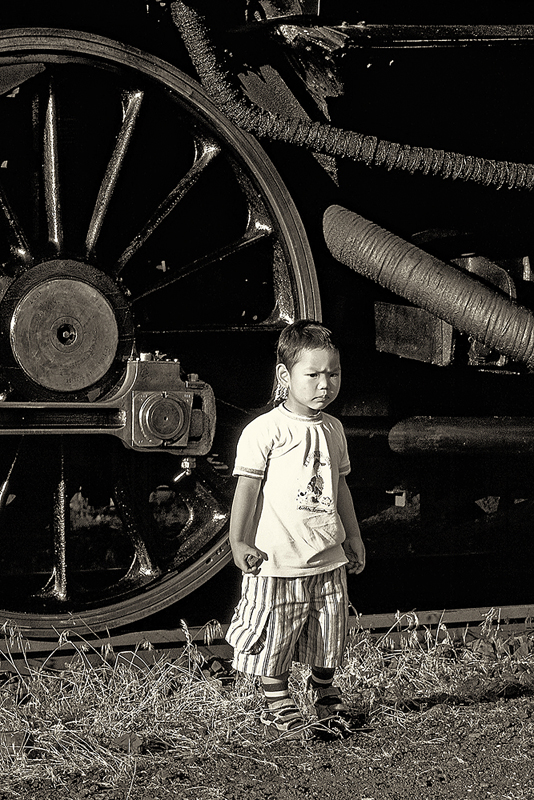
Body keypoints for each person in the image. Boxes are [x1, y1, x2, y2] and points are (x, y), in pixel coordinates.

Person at [226, 319, 366, 738]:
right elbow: (247, 490)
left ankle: (323, 692)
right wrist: (238, 540)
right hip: (278, 559)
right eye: (314, 375)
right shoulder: (265, 431)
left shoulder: (334, 429)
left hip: (327, 556)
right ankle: (275, 701)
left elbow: (340, 488)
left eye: (333, 374)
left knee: (329, 631)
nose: (325, 385)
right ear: (285, 376)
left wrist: (354, 535)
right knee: (278, 633)